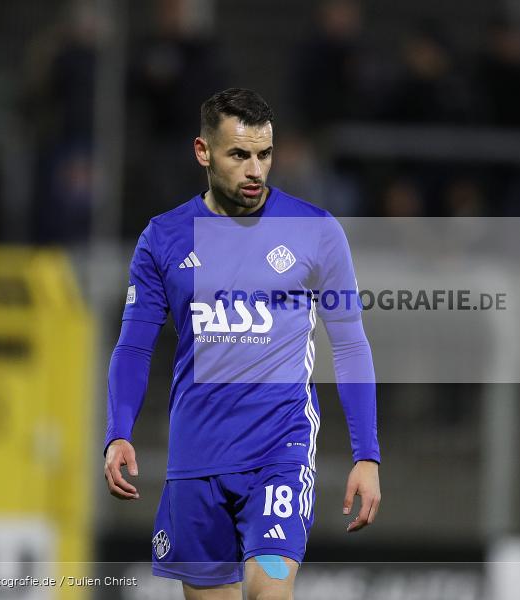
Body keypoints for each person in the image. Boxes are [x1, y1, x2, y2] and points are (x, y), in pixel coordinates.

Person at [103, 88, 381, 600]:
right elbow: (134, 347)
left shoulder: (315, 230)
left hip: (280, 446)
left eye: (264, 155)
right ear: (202, 152)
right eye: (239, 155)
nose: (255, 170)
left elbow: (350, 344)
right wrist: (118, 431)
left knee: (269, 593)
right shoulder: (164, 237)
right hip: (197, 455)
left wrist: (367, 454)